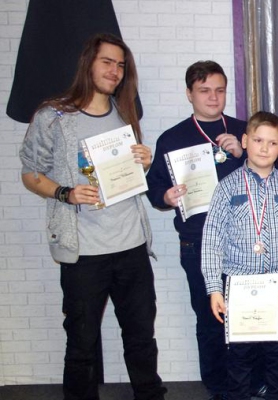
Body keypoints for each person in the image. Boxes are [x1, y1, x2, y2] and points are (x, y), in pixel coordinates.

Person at [19, 33, 167, 400]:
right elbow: (30, 173)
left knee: (141, 337)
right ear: (88, 63)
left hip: (131, 246)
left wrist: (144, 163)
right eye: (107, 62)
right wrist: (65, 193)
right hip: (83, 252)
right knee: (82, 344)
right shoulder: (54, 117)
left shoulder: (124, 113)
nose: (115, 71)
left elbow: (128, 178)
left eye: (121, 65)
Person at [145, 60, 247, 400]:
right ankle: (218, 386)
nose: (213, 97)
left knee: (248, 317)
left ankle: (247, 382)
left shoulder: (243, 130)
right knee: (209, 319)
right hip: (198, 242)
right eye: (204, 90)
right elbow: (154, 188)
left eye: (219, 90)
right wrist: (166, 197)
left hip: (245, 241)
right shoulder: (172, 138)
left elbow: (271, 174)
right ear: (189, 93)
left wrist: (243, 154)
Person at [201, 111, 278, 400]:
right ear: (244, 141)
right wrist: (214, 288)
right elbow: (212, 239)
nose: (265, 148)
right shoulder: (227, 187)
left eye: (272, 143)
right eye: (258, 140)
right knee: (239, 355)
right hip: (238, 287)